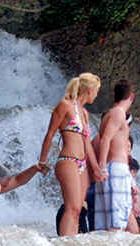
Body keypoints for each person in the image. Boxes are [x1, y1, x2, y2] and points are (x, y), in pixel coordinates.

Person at [39, 72, 105, 236]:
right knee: (72, 207)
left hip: (82, 164)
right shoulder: (65, 105)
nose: (97, 95)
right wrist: (42, 161)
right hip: (68, 160)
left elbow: (86, 143)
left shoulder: (84, 113)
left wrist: (96, 168)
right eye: (97, 91)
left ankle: (72, 244)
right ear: (89, 90)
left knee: (78, 210)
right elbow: (50, 133)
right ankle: (65, 245)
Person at [93, 79, 136, 232]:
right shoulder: (118, 113)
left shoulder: (108, 115)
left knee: (105, 226)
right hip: (115, 170)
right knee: (116, 224)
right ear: (131, 97)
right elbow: (105, 140)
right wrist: (102, 167)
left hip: (110, 170)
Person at [127, 156, 140, 235]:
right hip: (130, 215)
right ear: (132, 171)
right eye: (135, 172)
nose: (135, 175)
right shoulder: (129, 179)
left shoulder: (129, 180)